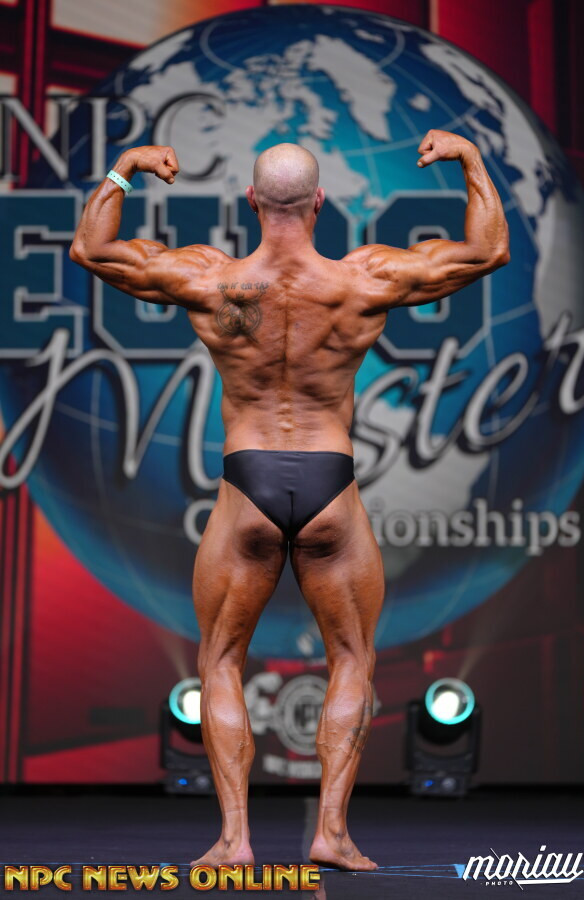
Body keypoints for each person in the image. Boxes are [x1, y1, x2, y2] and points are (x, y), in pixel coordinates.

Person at [70, 132, 509, 871]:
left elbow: (92, 248)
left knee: (220, 660)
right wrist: (468, 156)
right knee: (352, 657)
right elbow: (486, 250)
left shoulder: (210, 280)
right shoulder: (363, 280)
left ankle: (234, 840)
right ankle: (331, 833)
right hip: (330, 482)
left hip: (247, 485)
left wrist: (126, 167)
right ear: (319, 203)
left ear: (251, 200)